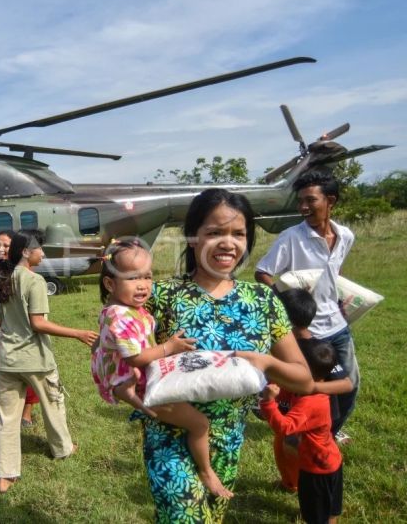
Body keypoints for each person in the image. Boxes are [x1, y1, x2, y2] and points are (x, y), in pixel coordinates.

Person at [140, 188, 313, 522]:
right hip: (169, 434)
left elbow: (303, 380)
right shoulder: (161, 296)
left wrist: (266, 363)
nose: (228, 243)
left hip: (229, 440)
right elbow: (124, 359)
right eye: (214, 232)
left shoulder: (262, 300)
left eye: (238, 233)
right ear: (193, 238)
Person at [92, 239, 232, 498]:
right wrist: (170, 347)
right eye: (133, 277)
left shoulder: (127, 309)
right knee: (200, 424)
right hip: (145, 385)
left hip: (138, 380)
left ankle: (129, 393)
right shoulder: (120, 315)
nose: (143, 284)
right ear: (110, 284)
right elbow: (135, 358)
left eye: (148, 276)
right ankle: (206, 472)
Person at [0, 230, 99, 493]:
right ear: (26, 252)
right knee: (53, 405)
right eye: (40, 248)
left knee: (7, 418)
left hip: (7, 360)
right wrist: (77, 333)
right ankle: (63, 449)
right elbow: (38, 323)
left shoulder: (2, 279)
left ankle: (5, 475)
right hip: (36, 360)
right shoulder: (35, 280)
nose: (44, 252)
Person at [255, 170, 358, 442]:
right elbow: (263, 273)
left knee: (349, 385)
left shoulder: (345, 235)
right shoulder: (291, 237)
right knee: (305, 390)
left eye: (310, 200)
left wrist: (342, 297)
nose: (303, 207)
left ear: (330, 201)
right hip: (307, 329)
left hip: (338, 324)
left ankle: (329, 432)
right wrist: (292, 315)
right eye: (300, 201)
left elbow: (336, 271)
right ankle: (294, 435)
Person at [271, 288, 353, 492]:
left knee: (301, 453)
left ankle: (303, 490)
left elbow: (346, 383)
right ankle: (290, 483)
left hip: (313, 419)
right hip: (289, 412)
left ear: (285, 320)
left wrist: (312, 387)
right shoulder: (281, 346)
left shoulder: (318, 350)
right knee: (283, 448)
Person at [261, 338, 344, 524]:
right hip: (331, 461)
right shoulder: (322, 388)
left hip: (315, 469)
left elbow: (284, 427)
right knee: (331, 508)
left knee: (315, 516)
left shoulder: (309, 403)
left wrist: (268, 402)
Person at [0, 230, 40, 425]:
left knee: (24, 370)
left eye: (6, 245)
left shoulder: (22, 268)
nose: (0, 248)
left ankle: (26, 414)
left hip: (16, 329)